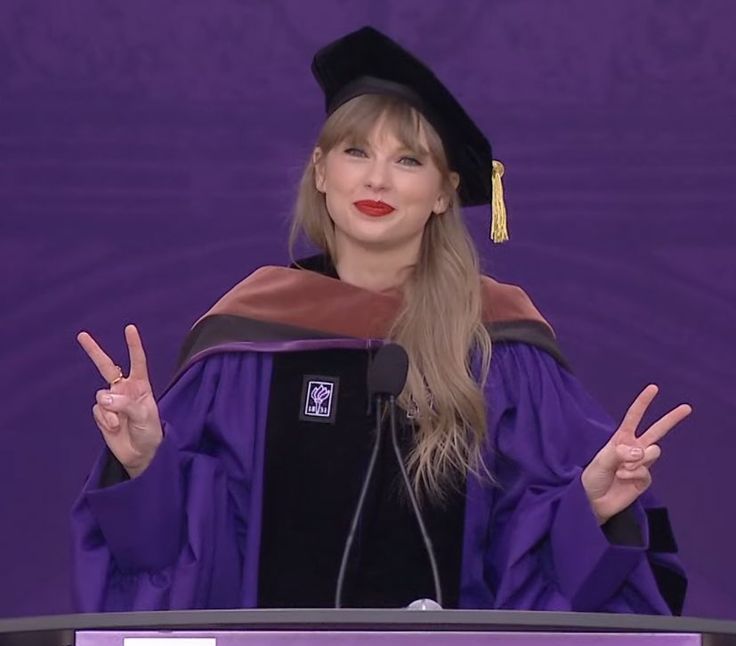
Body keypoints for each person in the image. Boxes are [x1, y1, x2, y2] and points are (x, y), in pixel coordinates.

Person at [72, 27, 690, 614]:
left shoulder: (501, 345)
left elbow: (543, 557)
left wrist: (588, 508)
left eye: (409, 160)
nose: (377, 178)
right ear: (321, 172)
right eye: (356, 151)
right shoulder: (246, 340)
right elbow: (183, 554)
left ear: (445, 191)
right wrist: (146, 464)